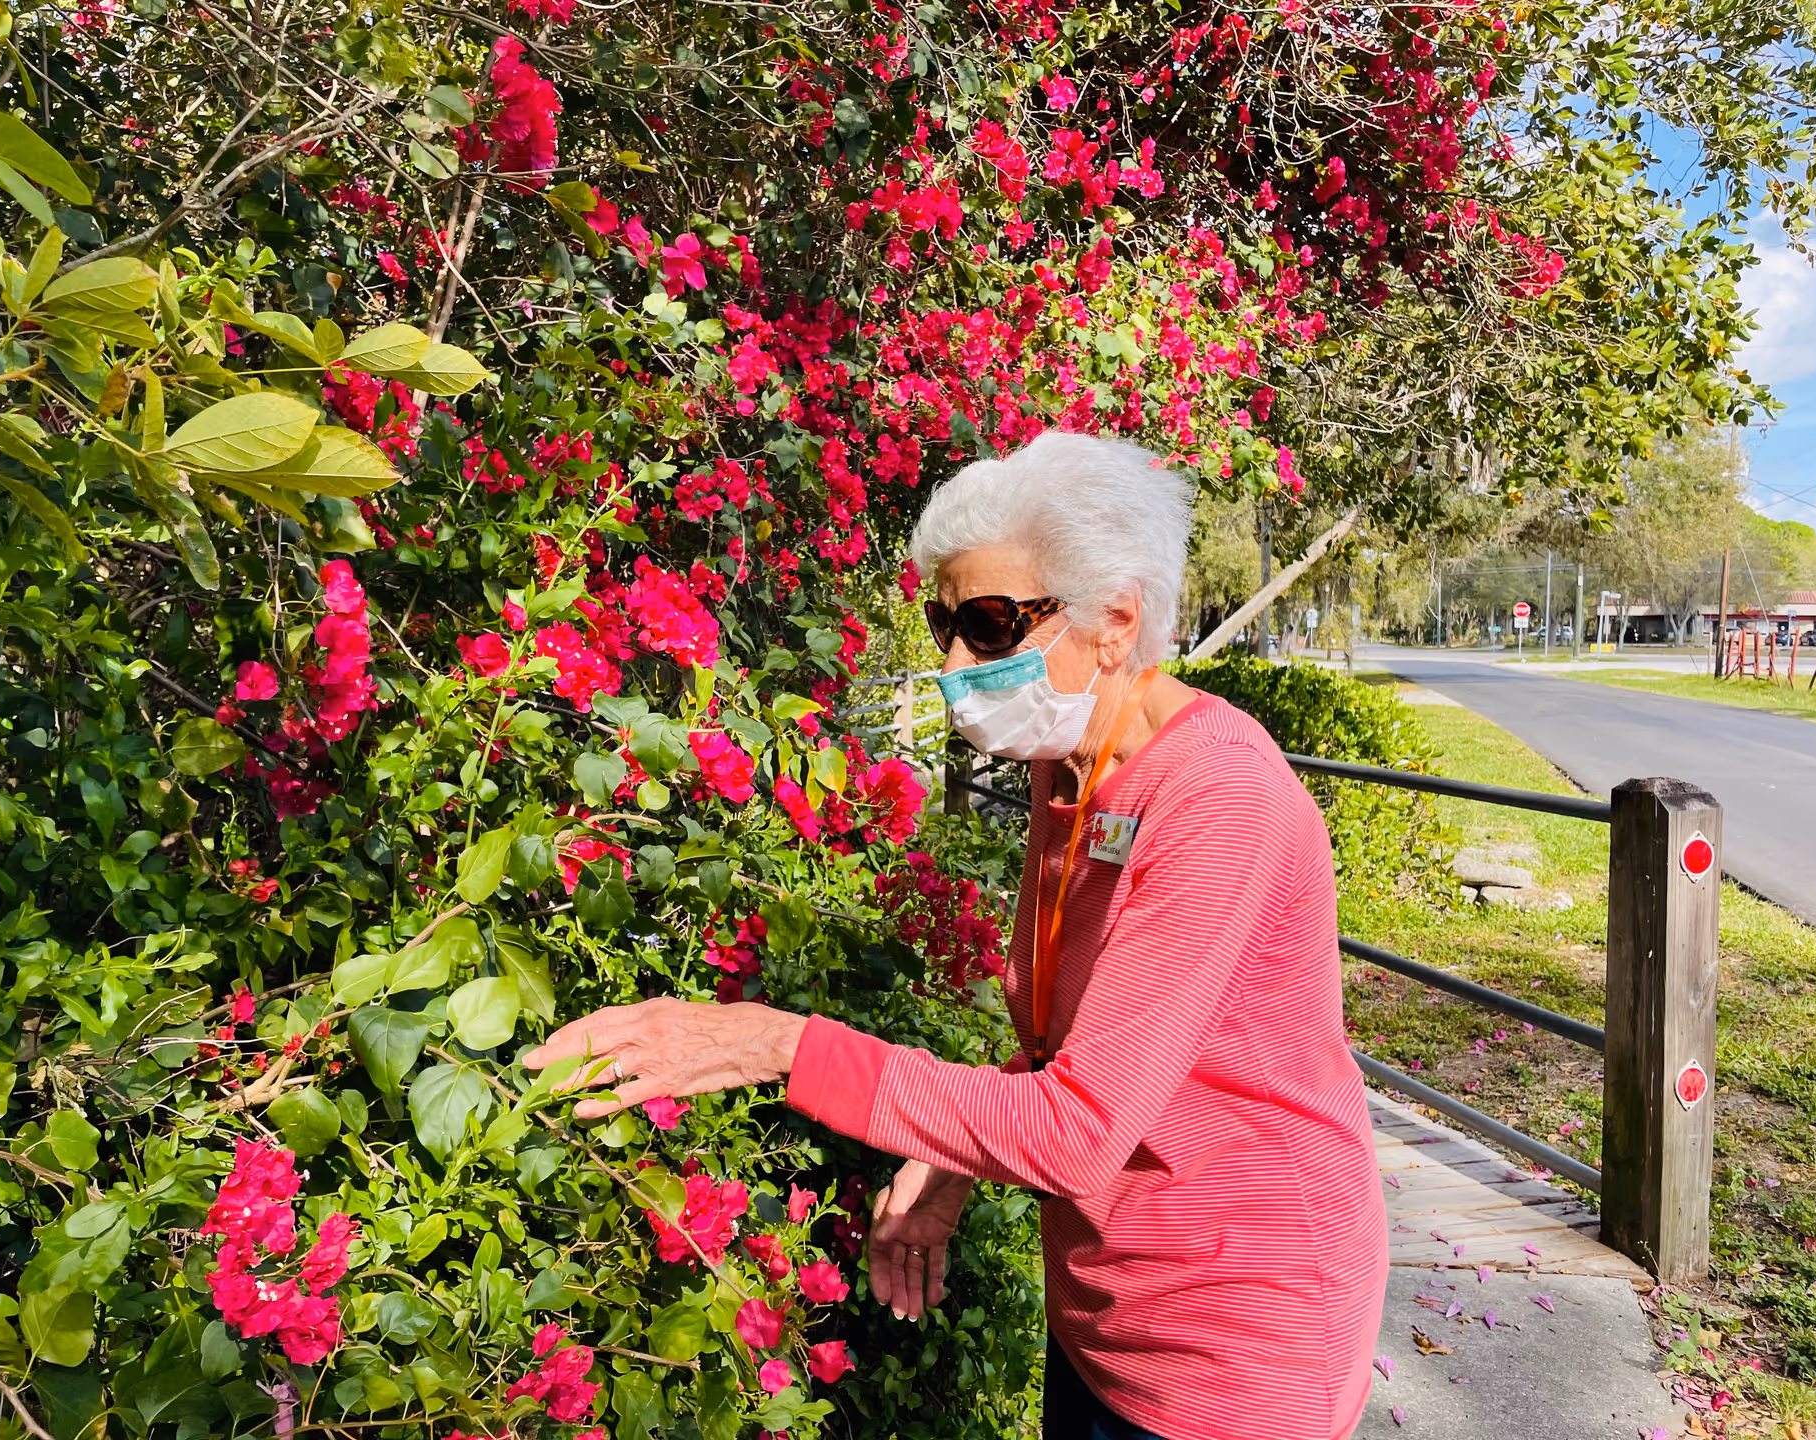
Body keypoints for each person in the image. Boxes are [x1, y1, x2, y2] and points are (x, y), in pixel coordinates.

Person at [525, 431, 1388, 1439]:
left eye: (988, 624)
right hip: (1107, 1317)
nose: (950, 662)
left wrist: (775, 1043)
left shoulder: (1219, 798)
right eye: (944, 621)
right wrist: (953, 1169)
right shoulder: (1071, 766)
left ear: (1116, 620)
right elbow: (1067, 1051)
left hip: (1238, 1345)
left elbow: (1078, 1129)